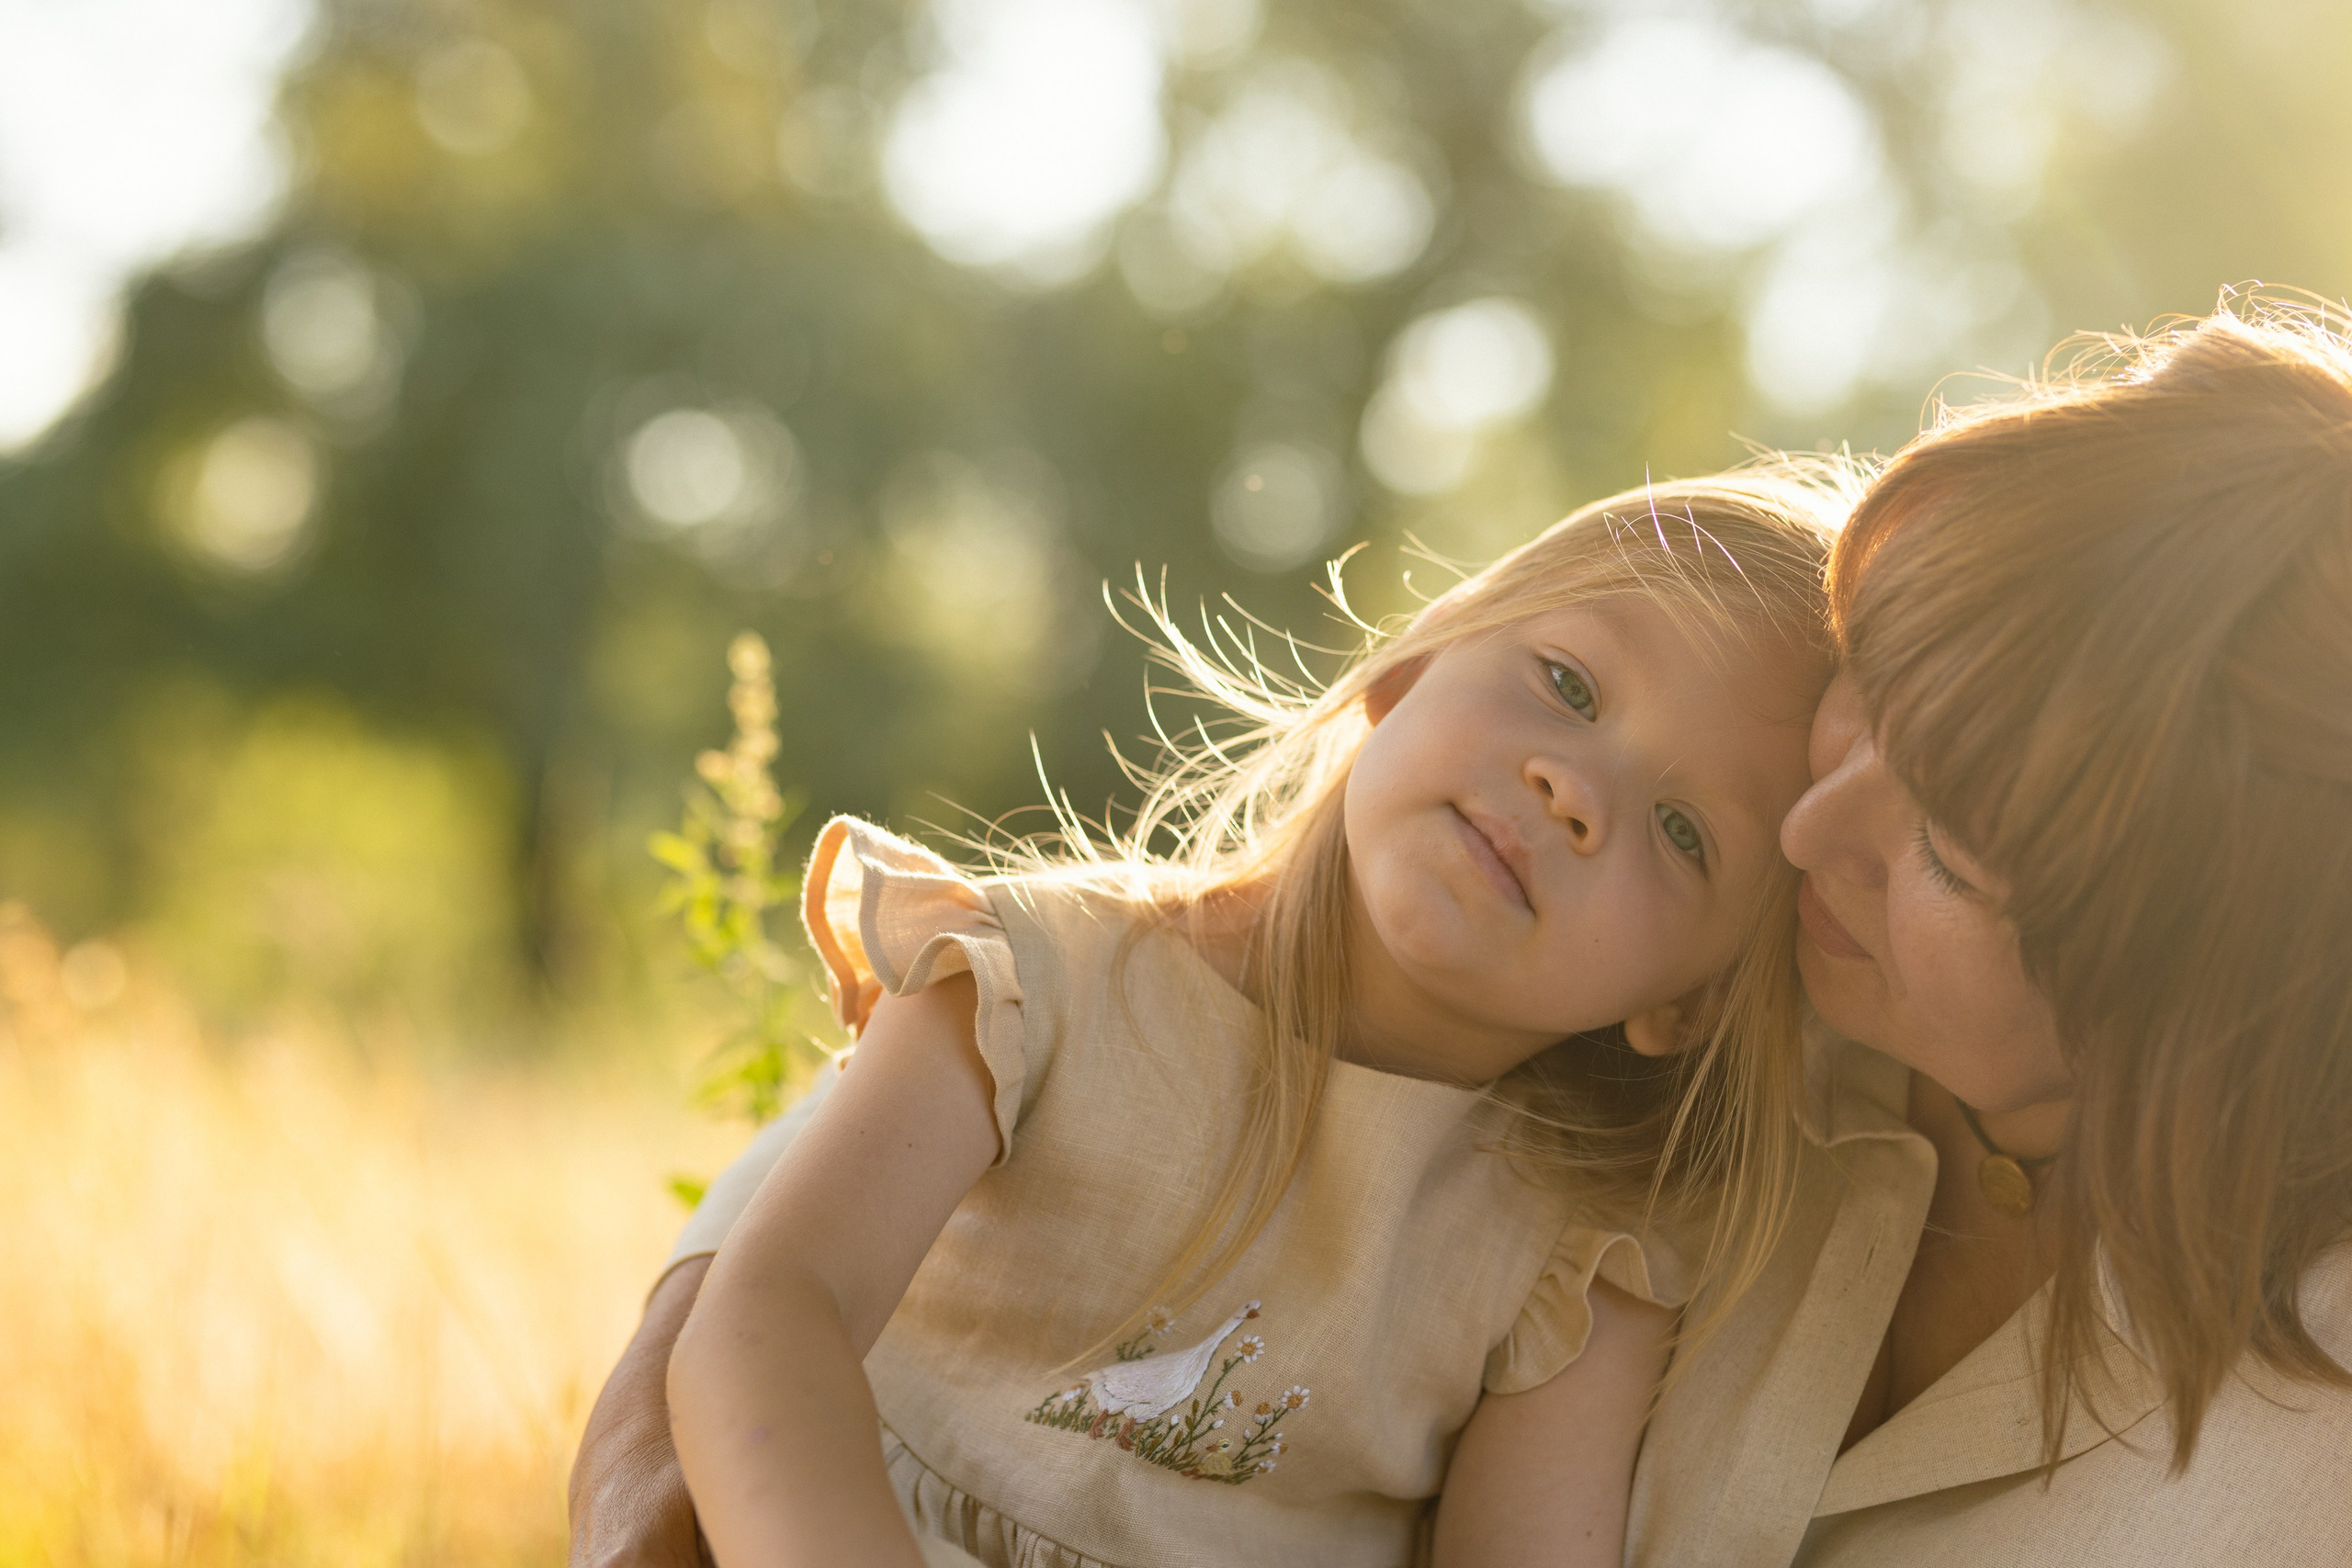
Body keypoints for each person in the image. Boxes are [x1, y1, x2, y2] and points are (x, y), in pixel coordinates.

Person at [571, 299, 2352, 1568]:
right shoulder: (1062, 980)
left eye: (1945, 852)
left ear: (2175, 1007)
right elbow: (779, 1288)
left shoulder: (1583, 1234)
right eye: (1870, 707)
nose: (1816, 832)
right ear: (1406, 666)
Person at [648, 472, 1846, 1568]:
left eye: (1685, 832)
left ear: (1691, 1002)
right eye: (1569, 684)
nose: (1574, 789)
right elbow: (768, 1319)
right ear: (1414, 664)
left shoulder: (1571, 1263)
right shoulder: (1041, 979)